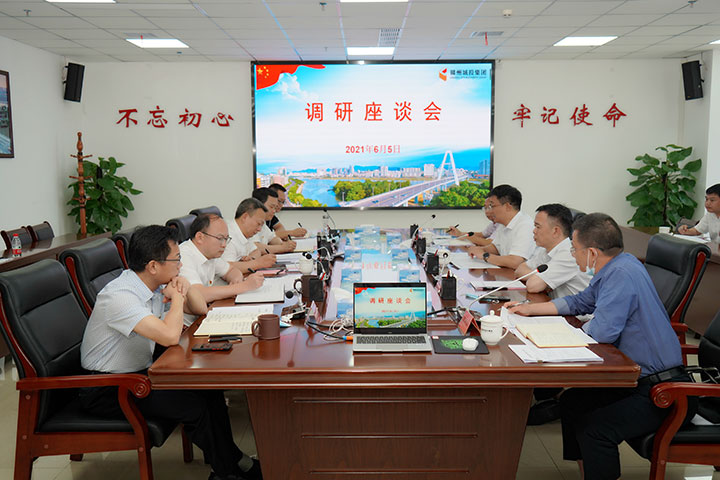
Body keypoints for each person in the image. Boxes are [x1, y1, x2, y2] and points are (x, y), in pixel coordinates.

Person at [508, 213, 691, 480]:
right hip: (641, 380)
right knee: (572, 402)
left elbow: (603, 331)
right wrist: (531, 309)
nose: (573, 255)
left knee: (595, 429)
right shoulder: (618, 265)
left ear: (592, 252)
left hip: (664, 392)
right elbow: (582, 301)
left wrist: (564, 332)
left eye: (574, 249)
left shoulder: (621, 274)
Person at [79, 225, 262, 480]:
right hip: (107, 388)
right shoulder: (120, 296)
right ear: (153, 266)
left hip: (138, 373)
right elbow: (169, 335)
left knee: (209, 390)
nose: (180, 265)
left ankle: (230, 464)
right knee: (194, 406)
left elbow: (196, 311)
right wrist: (177, 297)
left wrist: (182, 288)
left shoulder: (150, 285)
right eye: (176, 260)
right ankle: (229, 470)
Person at [180, 213, 264, 325]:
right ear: (200, 237)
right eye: (220, 238)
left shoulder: (210, 254)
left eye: (226, 239)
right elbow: (199, 293)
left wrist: (236, 281)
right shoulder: (183, 255)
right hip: (185, 327)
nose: (224, 245)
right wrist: (243, 286)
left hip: (204, 317)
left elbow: (232, 271)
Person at [515, 203, 589, 298]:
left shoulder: (570, 254)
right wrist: (543, 279)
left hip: (576, 307)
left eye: (538, 227)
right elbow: (520, 269)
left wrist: (540, 279)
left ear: (555, 231)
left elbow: (532, 286)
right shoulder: (547, 250)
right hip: (556, 303)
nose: (534, 231)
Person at [467, 184, 534, 269]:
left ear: (507, 207)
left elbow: (515, 262)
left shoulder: (525, 225)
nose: (490, 211)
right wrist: (481, 249)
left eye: (492, 206)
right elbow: (496, 247)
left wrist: (485, 256)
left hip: (522, 275)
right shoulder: (503, 224)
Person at [222, 198, 277, 272]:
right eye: (258, 224)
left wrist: (251, 259)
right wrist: (257, 263)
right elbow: (226, 267)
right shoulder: (227, 234)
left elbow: (256, 251)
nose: (259, 229)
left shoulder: (246, 233)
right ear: (245, 217)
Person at [251, 187, 297, 253]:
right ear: (258, 204)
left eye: (275, 208)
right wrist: (282, 248)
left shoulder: (263, 224)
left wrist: (285, 244)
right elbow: (256, 247)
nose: (274, 211)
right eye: (271, 207)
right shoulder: (250, 222)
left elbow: (273, 238)